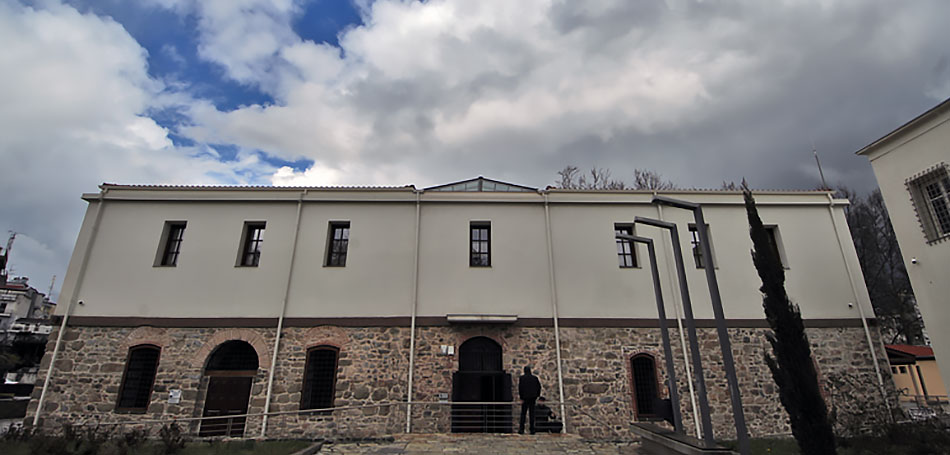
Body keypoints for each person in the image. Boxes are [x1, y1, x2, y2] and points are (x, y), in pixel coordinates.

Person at [518, 365, 541, 434]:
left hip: (525, 398)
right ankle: (532, 429)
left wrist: (521, 397)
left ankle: (521, 429)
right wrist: (537, 395)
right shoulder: (535, 378)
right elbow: (539, 387)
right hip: (533, 398)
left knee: (523, 414)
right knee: (532, 414)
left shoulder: (522, 378)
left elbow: (520, 388)